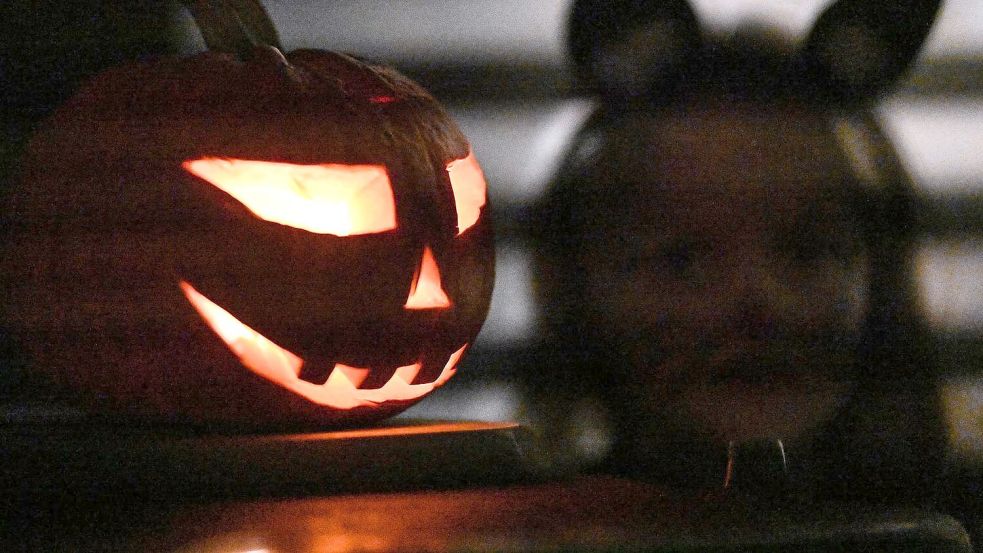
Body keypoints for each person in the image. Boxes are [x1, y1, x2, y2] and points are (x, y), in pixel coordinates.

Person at [531, 0, 944, 503]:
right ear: (579, 286)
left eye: (808, 252)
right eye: (681, 259)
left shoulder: (953, 524)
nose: (757, 302)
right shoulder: (534, 529)